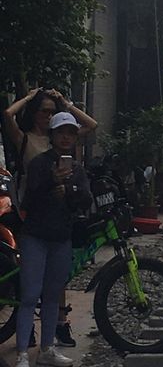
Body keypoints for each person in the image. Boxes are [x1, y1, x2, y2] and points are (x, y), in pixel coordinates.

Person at [3, 88, 97, 349]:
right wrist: (30, 96)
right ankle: (29, 331)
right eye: (43, 110)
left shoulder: (62, 138)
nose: (48, 115)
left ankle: (59, 323)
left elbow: (91, 125)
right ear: (34, 114)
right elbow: (8, 114)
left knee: (57, 278)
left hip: (60, 210)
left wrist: (66, 103)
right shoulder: (25, 139)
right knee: (32, 278)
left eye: (52, 111)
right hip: (32, 209)